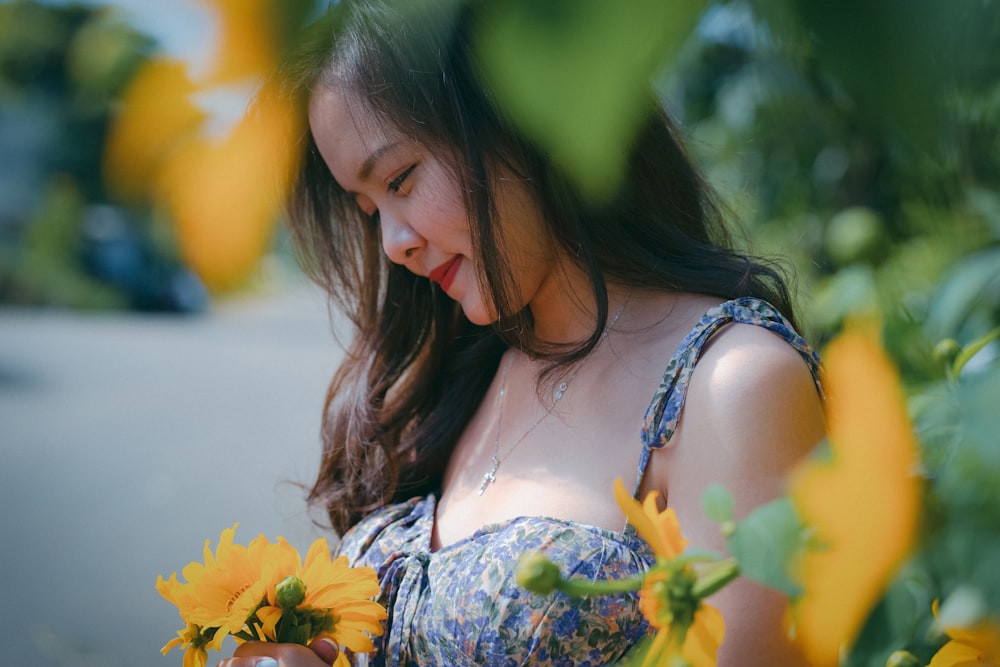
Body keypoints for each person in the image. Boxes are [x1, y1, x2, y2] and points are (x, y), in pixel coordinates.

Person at [220, 1, 825, 665]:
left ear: (523, 113)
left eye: (400, 178)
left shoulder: (730, 384)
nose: (394, 243)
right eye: (370, 210)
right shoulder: (455, 372)